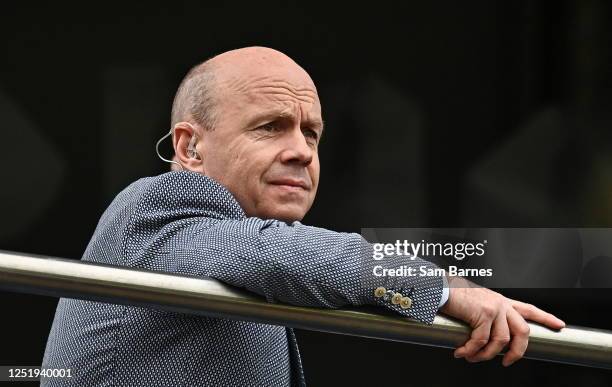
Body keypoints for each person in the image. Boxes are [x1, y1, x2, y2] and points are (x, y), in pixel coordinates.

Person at [41, 46, 565, 386]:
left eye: (310, 133)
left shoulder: (231, 244)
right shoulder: (157, 206)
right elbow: (278, 255)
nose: (301, 152)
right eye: (270, 127)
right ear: (190, 147)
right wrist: (451, 291)